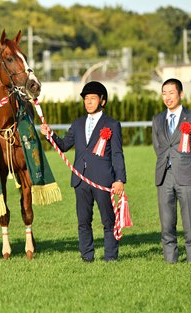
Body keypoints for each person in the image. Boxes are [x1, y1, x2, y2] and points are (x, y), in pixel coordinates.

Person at [40, 81, 126, 262]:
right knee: (83, 222)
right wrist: (50, 135)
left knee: (108, 221)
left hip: (103, 180)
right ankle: (87, 257)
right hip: (80, 180)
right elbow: (63, 146)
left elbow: (117, 154)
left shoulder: (112, 124)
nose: (88, 102)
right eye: (86, 99)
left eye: (92, 98)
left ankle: (110, 257)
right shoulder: (78, 124)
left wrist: (119, 179)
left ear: (102, 101)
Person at [152, 78, 191, 263]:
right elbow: (157, 146)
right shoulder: (157, 119)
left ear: (180, 94)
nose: (167, 97)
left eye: (171, 93)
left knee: (190, 222)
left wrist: (190, 166)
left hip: (186, 176)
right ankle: (170, 260)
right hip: (164, 176)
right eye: (164, 93)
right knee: (167, 223)